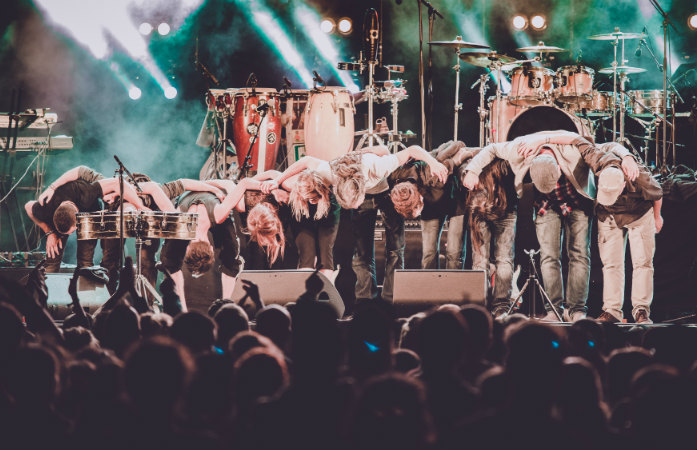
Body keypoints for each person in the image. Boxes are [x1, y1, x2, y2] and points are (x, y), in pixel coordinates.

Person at [463, 130, 639, 322]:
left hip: (576, 201)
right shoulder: (521, 148)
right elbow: (491, 149)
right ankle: (553, 310)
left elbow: (609, 147)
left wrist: (627, 157)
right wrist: (472, 170)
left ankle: (576, 310)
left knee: (579, 254)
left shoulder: (572, 150)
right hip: (546, 204)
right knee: (548, 257)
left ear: (558, 169)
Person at [263, 146, 448, 302]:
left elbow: (412, 150)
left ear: (359, 192)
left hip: (385, 191)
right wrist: (277, 180)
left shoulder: (377, 167)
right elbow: (306, 161)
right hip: (362, 190)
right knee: (362, 251)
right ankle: (366, 300)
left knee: (395, 246)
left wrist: (433, 162)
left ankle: (391, 299)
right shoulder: (330, 172)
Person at [25, 165, 146, 272]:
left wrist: (140, 207)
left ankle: (85, 292)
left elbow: (118, 182)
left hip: (89, 212)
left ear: (77, 222)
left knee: (84, 263)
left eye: (72, 231)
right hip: (62, 209)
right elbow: (28, 207)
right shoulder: (47, 205)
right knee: (52, 258)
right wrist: (50, 232)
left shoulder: (86, 193)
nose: (71, 234)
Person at [594, 142, 664, 324]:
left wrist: (657, 218)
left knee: (642, 263)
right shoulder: (597, 161)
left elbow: (657, 194)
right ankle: (612, 310)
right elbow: (601, 144)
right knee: (611, 264)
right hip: (608, 214)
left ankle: (641, 310)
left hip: (638, 214)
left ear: (623, 185)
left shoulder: (637, 174)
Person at [159, 178, 253, 310]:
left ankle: (225, 304)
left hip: (203, 203)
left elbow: (243, 184)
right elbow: (243, 184)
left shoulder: (182, 219)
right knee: (169, 261)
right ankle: (182, 306)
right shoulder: (217, 214)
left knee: (230, 255)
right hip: (206, 201)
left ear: (210, 247)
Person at [388, 141, 472, 269]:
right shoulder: (397, 175)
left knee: (454, 253)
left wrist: (458, 156)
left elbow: (457, 145)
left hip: (455, 201)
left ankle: (453, 288)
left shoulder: (434, 177)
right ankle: (431, 287)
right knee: (429, 253)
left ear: (420, 198)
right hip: (432, 207)